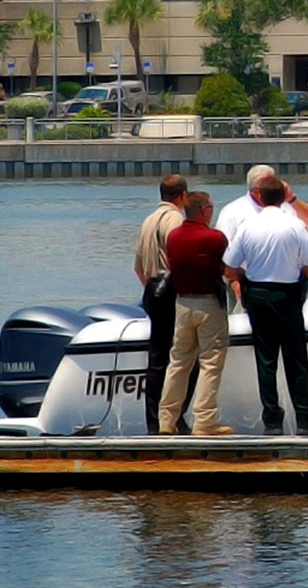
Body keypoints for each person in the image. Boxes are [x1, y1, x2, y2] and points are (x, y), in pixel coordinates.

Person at [223, 176, 308, 435]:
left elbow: (229, 268)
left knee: (266, 361)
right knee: (296, 360)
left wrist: (246, 278)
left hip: (257, 296)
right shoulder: (295, 225)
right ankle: (305, 419)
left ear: (259, 196)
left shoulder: (248, 226)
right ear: (282, 197)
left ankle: (272, 421)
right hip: (288, 296)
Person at [157, 190, 232, 436]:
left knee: (178, 363)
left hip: (182, 304)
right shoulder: (215, 238)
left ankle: (166, 421)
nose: (212, 212)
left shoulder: (174, 236)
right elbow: (227, 268)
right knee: (210, 363)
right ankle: (205, 420)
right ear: (203, 210)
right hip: (209, 303)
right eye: (210, 207)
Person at [133, 173, 189, 434]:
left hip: (152, 290)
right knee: (181, 358)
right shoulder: (176, 219)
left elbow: (138, 267)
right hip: (171, 292)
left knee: (156, 360)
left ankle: (153, 422)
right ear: (183, 196)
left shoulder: (147, 221)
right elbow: (180, 260)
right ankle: (174, 417)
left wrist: (151, 288)